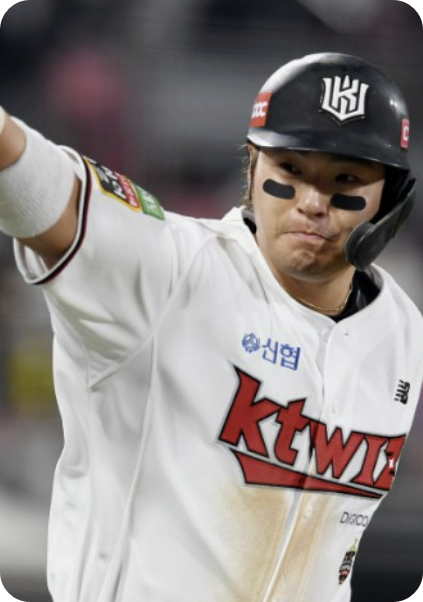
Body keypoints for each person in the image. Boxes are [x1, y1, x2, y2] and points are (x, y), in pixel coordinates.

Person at [0, 51, 422, 602]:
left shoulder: (403, 334)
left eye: (346, 179)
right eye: (290, 171)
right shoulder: (173, 270)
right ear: (253, 167)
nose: (312, 203)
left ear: (391, 199)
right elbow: (39, 183)